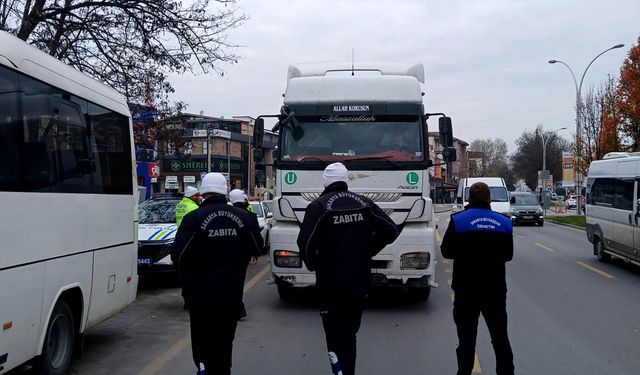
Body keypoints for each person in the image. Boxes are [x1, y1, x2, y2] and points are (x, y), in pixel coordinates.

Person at [297, 162, 399, 375]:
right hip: (359, 283)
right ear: (346, 180)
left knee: (334, 336)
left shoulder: (319, 207)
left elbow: (305, 244)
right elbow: (390, 229)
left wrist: (313, 264)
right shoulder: (364, 203)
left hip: (330, 283)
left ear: (325, 182)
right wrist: (368, 250)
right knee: (350, 334)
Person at [171, 173, 262, 375]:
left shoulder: (194, 218)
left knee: (203, 340)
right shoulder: (244, 217)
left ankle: (204, 368)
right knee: (224, 340)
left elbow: (178, 255)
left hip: (201, 295)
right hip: (231, 292)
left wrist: (187, 277)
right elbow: (258, 247)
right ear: (225, 191)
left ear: (203, 192)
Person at [440, 182, 515, 375]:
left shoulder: (458, 221)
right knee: (500, 338)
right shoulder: (504, 223)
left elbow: (447, 251)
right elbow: (508, 255)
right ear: (489, 199)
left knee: (466, 340)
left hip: (466, 290)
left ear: (469, 199)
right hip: (495, 290)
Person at [229, 189, 264, 321]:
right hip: (242, 255)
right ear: (243, 200)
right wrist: (256, 252)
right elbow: (256, 237)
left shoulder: (228, 214)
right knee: (237, 283)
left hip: (228, 253)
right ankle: (238, 309)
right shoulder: (250, 215)